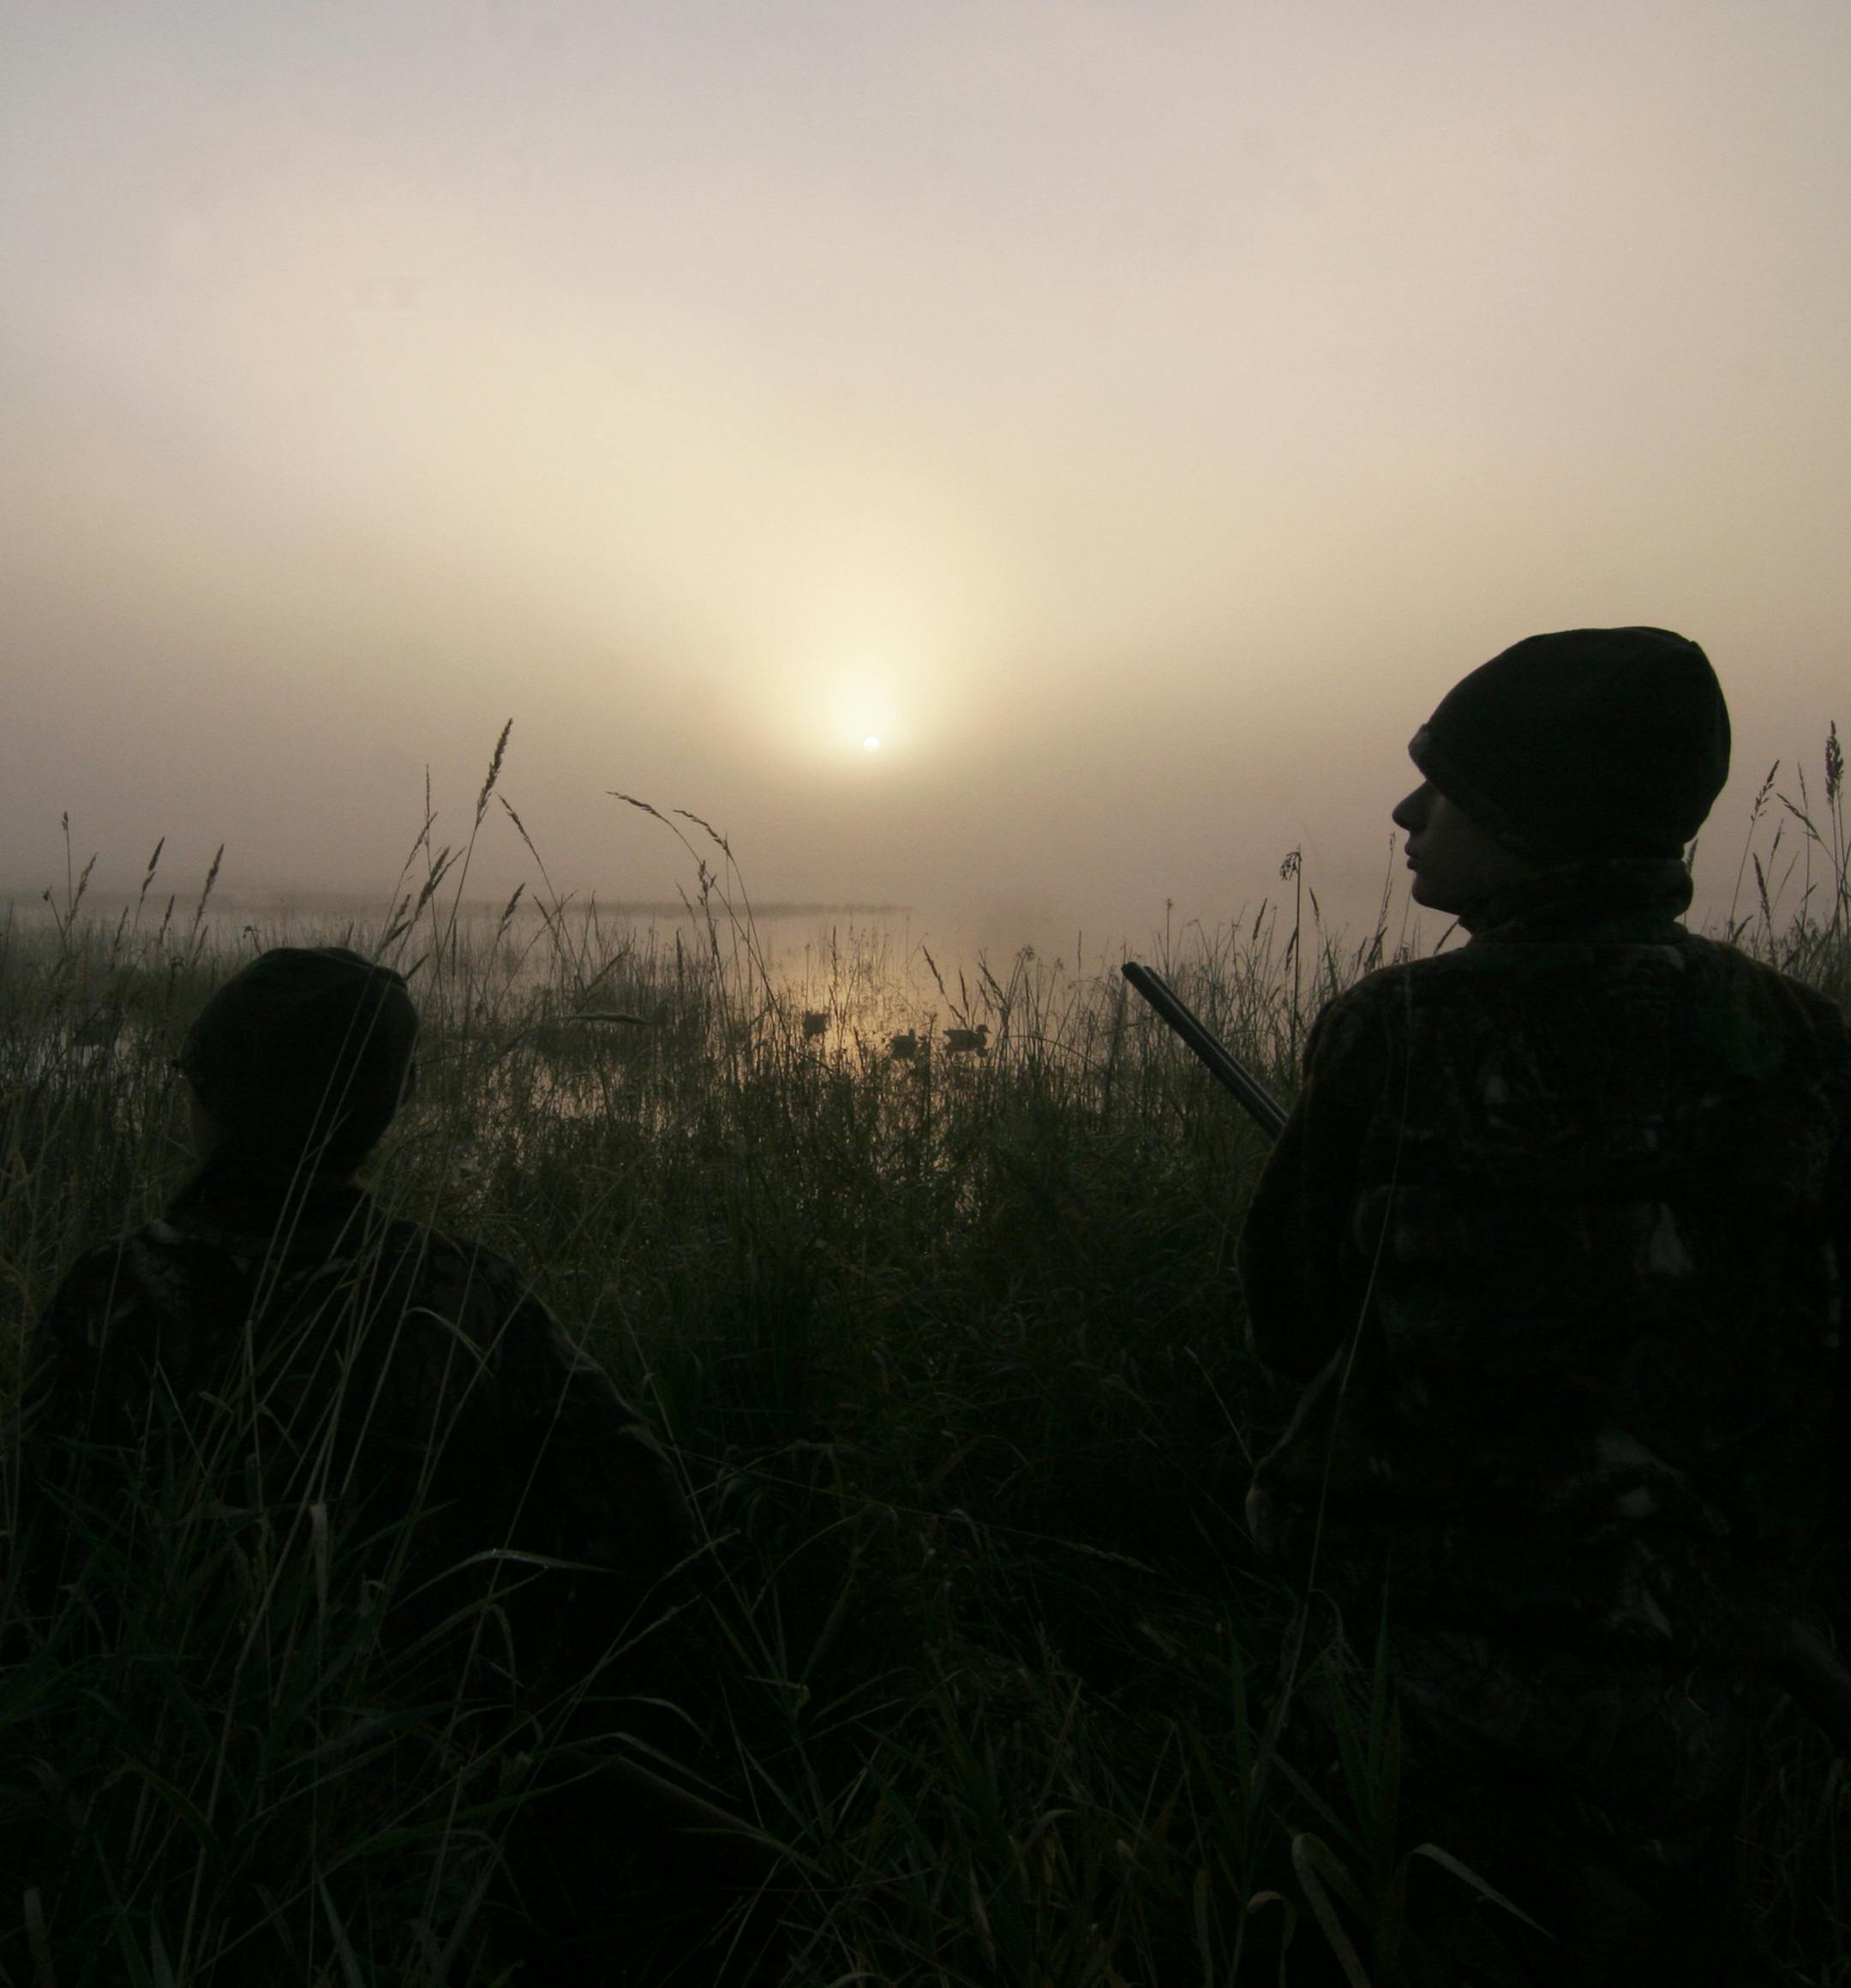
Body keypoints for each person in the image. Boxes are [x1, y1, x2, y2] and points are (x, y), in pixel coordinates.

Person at [1238, 628, 1851, 1985]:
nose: (1408, 814)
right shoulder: (1805, 1044)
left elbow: (1289, 1321)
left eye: (1445, 789)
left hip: (1411, 1666)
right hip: (1679, 1679)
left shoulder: (1397, 1031)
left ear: (1531, 821)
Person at [17, 946, 745, 1977]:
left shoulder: (113, 1295)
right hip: (427, 1854)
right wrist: (512, 1707)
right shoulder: (461, 1293)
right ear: (380, 1113)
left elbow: (40, 1576)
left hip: (141, 1843)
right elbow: (652, 1529)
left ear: (215, 1095)